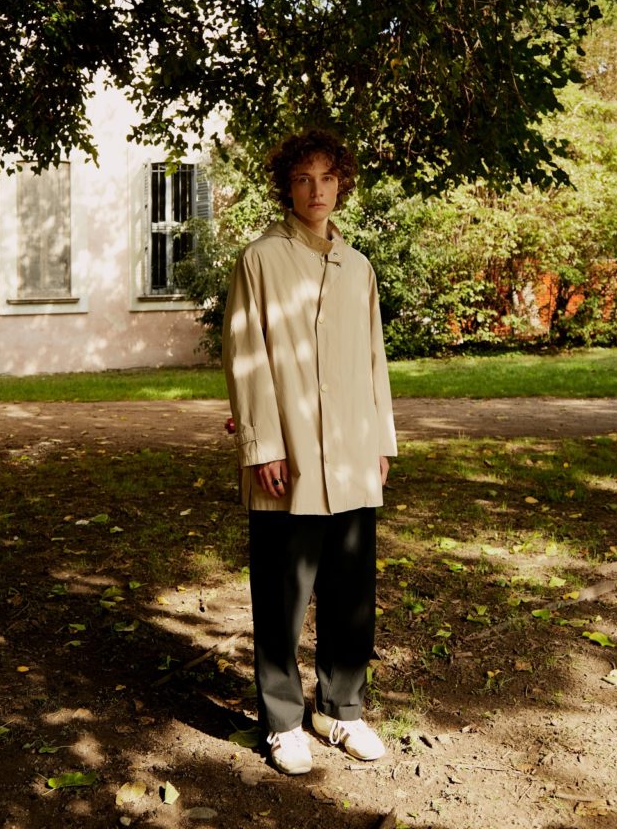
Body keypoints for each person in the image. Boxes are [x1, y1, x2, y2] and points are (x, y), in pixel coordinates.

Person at [222, 128, 397, 775]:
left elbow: (374, 360)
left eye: (326, 178)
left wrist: (381, 440)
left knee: (351, 591)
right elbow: (245, 358)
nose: (316, 190)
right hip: (287, 456)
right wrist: (261, 445)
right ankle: (281, 721)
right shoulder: (260, 260)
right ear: (287, 187)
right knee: (281, 595)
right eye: (303, 179)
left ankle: (340, 710)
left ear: (341, 184)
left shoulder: (359, 267)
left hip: (352, 453)